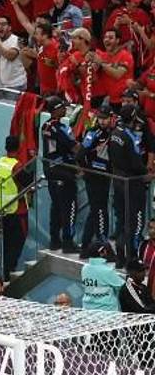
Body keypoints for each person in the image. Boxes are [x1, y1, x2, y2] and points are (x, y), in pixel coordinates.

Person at [107, 105, 148, 269]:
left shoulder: (114, 133)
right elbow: (136, 163)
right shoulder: (129, 136)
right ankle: (133, 258)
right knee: (136, 222)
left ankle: (120, 258)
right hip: (132, 184)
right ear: (133, 118)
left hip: (117, 181)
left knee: (122, 221)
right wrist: (147, 173)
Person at [41, 96, 79, 253]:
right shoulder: (58, 127)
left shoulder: (45, 125)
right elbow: (73, 146)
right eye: (63, 107)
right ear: (56, 110)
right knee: (69, 206)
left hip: (50, 170)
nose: (65, 109)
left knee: (56, 206)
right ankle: (68, 242)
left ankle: (54, 241)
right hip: (62, 171)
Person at [0, 134, 33, 280]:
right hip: (17, 210)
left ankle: (5, 273)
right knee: (17, 243)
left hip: (3, 210)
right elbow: (27, 181)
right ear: (19, 148)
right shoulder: (16, 166)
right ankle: (8, 273)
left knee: (6, 244)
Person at [78, 105, 114, 259]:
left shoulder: (113, 132)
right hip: (95, 178)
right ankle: (102, 246)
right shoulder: (93, 133)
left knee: (95, 211)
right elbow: (80, 155)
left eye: (105, 118)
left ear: (111, 118)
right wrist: (88, 171)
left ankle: (85, 247)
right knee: (100, 212)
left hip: (105, 177)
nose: (102, 121)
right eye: (100, 118)